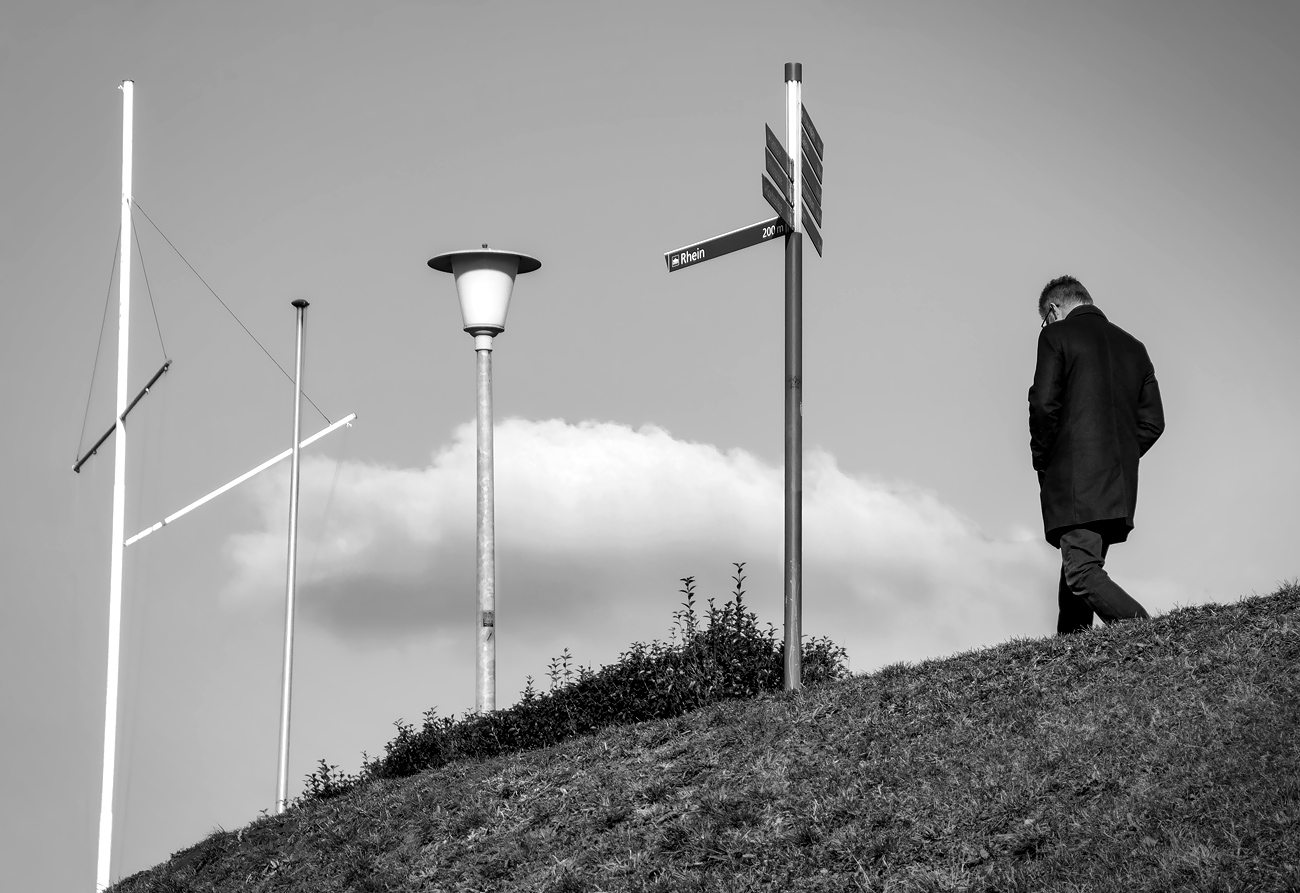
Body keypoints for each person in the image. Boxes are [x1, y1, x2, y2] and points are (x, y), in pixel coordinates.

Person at [1028, 275, 1164, 634]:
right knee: (1077, 564)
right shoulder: (1135, 348)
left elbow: (1043, 405)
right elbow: (1153, 422)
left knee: (1082, 572)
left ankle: (1148, 636)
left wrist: (1043, 460)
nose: (1045, 325)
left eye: (1045, 319)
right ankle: (1070, 653)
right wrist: (1116, 458)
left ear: (1054, 311)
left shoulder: (1056, 336)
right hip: (1115, 486)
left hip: (1074, 479)